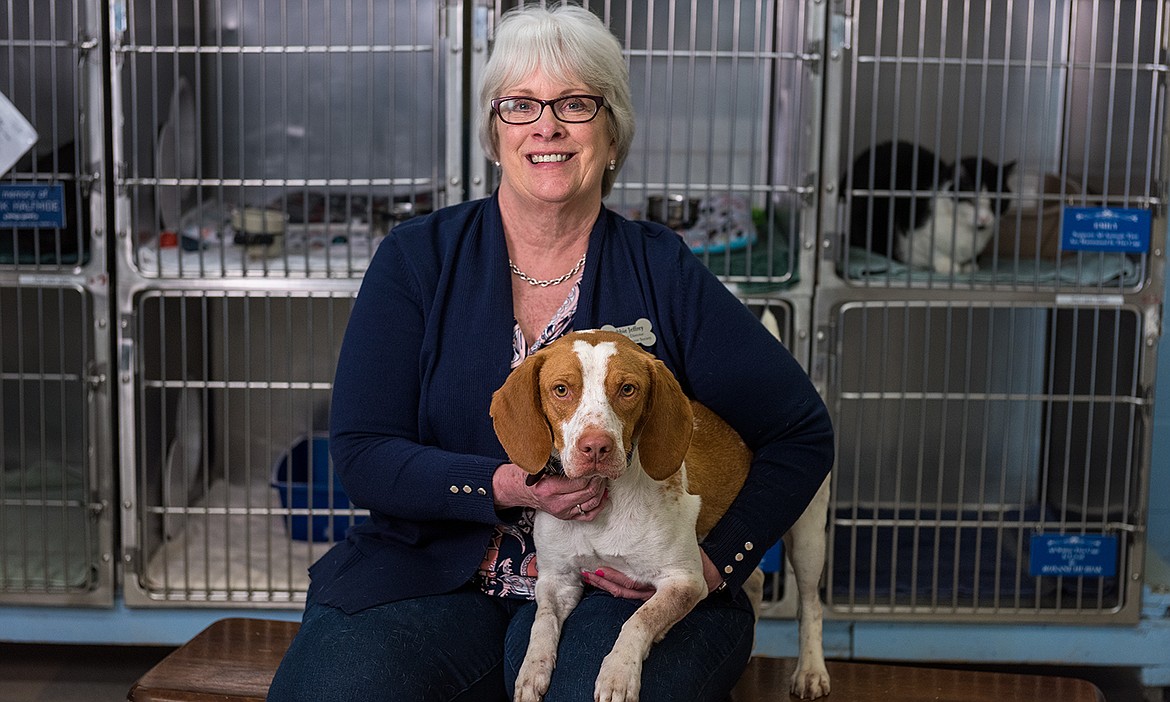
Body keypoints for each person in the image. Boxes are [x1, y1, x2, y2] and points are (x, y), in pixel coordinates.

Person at [266, 3, 833, 701]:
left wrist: (718, 563)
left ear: (612, 131)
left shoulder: (663, 269)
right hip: (435, 570)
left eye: (575, 103)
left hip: (621, 589)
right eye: (520, 105)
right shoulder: (417, 259)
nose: (547, 126)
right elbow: (361, 452)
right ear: (493, 130)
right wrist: (506, 484)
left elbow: (801, 432)